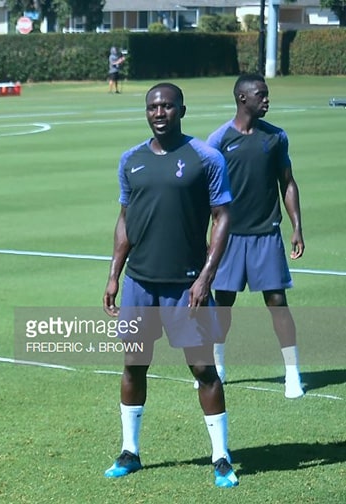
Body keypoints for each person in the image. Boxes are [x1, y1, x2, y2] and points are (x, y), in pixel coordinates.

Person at [102, 83, 239, 488]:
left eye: (166, 106)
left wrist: (205, 277)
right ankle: (130, 452)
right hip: (139, 283)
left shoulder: (205, 158)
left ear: (181, 109)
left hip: (185, 286)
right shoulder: (131, 160)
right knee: (133, 365)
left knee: (203, 369)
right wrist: (114, 273)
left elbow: (223, 217)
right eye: (152, 107)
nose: (159, 112)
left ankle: (221, 457)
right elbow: (126, 219)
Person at [206, 74, 305, 399]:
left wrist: (296, 228)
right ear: (242, 98)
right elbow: (207, 196)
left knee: (277, 302)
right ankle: (217, 367)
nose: (267, 100)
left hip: (266, 235)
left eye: (267, 94)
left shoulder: (276, 138)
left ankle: (292, 374)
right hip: (229, 238)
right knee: (223, 304)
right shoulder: (218, 141)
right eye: (261, 94)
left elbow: (287, 183)